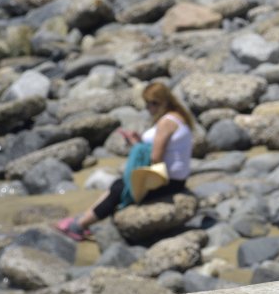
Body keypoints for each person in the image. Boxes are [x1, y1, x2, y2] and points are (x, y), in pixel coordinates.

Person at [56, 82, 194, 241]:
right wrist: (140, 143)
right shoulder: (178, 117)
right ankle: (84, 219)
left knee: (118, 190)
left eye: (152, 103)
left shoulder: (166, 122)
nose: (149, 108)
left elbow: (156, 157)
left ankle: (78, 226)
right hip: (177, 179)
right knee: (117, 183)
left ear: (163, 102)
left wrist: (137, 146)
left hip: (167, 182)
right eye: (147, 103)